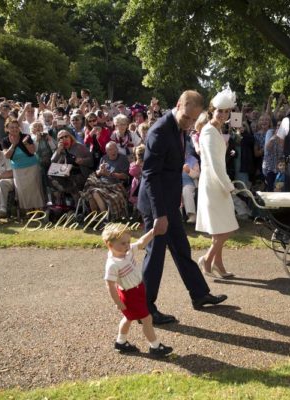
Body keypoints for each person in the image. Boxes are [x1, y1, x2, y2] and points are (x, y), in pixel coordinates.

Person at [138, 90, 227, 325]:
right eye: (186, 117)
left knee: (181, 248)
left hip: (168, 202)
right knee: (155, 256)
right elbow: (150, 176)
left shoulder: (179, 129)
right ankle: (145, 309)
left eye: (192, 119)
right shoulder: (159, 131)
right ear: (178, 105)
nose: (188, 123)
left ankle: (199, 294)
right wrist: (159, 215)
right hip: (155, 204)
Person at [102, 224, 173, 357]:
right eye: (123, 243)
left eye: (128, 242)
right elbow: (110, 285)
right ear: (109, 244)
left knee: (128, 318)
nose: (127, 245)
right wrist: (118, 303)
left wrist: (152, 232)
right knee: (147, 318)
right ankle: (155, 346)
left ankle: (121, 342)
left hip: (138, 290)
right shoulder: (112, 264)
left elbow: (141, 243)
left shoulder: (127, 252)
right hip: (129, 295)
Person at [195, 87, 239, 278]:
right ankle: (207, 258)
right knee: (227, 227)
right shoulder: (209, 131)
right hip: (214, 184)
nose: (223, 114)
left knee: (221, 228)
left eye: (226, 111)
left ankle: (218, 265)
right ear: (212, 109)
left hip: (216, 182)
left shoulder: (216, 130)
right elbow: (214, 165)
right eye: (220, 110)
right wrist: (229, 186)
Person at [2, 118, 45, 212]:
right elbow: (7, 156)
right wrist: (13, 145)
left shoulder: (26, 136)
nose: (14, 129)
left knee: (35, 189)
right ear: (7, 129)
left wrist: (25, 143)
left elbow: (33, 151)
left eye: (16, 127)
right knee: (22, 191)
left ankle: (39, 211)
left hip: (32, 167)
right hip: (18, 169)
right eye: (12, 127)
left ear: (19, 128)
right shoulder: (5, 140)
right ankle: (28, 212)